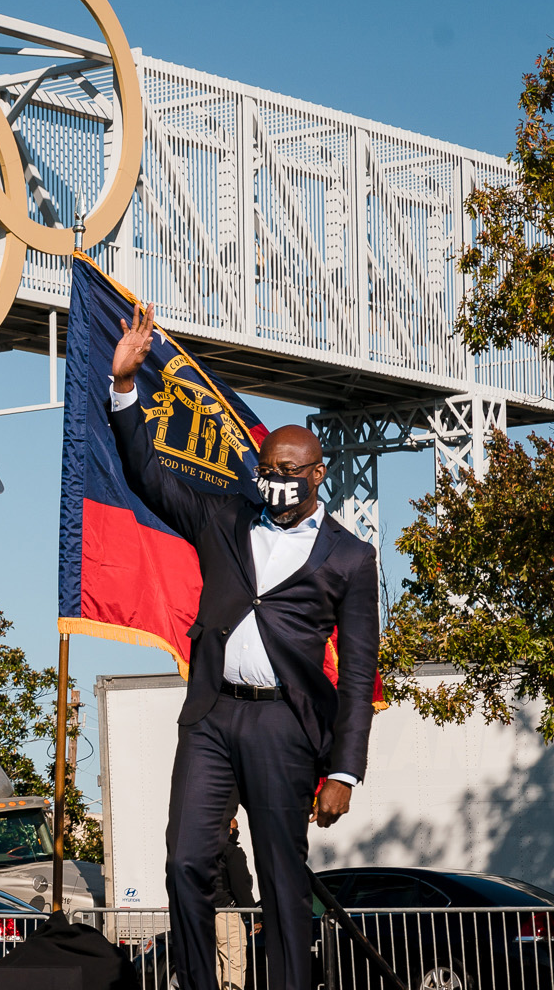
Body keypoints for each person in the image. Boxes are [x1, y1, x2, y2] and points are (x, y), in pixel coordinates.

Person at [110, 305, 378, 990]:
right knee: (184, 865)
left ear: (318, 473)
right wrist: (125, 389)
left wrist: (344, 772)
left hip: (285, 725)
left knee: (282, 877)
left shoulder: (350, 557)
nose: (274, 478)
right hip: (213, 717)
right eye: (266, 467)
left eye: (288, 468)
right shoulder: (224, 515)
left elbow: (357, 672)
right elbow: (150, 478)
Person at [213, 813, 256, 990]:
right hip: (227, 914)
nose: (236, 832)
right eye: (235, 828)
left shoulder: (203, 852)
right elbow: (241, 887)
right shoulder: (233, 852)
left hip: (205, 915)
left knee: (214, 964)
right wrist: (254, 916)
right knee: (234, 963)